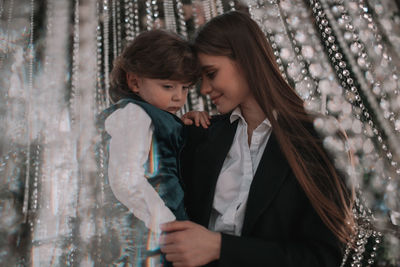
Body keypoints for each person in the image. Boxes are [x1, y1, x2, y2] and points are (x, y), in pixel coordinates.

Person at [160, 11, 355, 267]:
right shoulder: (203, 134)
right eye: (201, 80)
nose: (205, 89)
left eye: (211, 73)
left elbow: (323, 257)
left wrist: (220, 247)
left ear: (245, 61)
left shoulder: (316, 137)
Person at [98, 29, 208, 266]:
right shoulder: (134, 114)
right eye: (168, 87)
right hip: (150, 230)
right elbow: (125, 178)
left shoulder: (153, 115)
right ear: (135, 81)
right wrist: (167, 225)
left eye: (185, 88)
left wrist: (186, 125)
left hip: (164, 225)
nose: (178, 98)